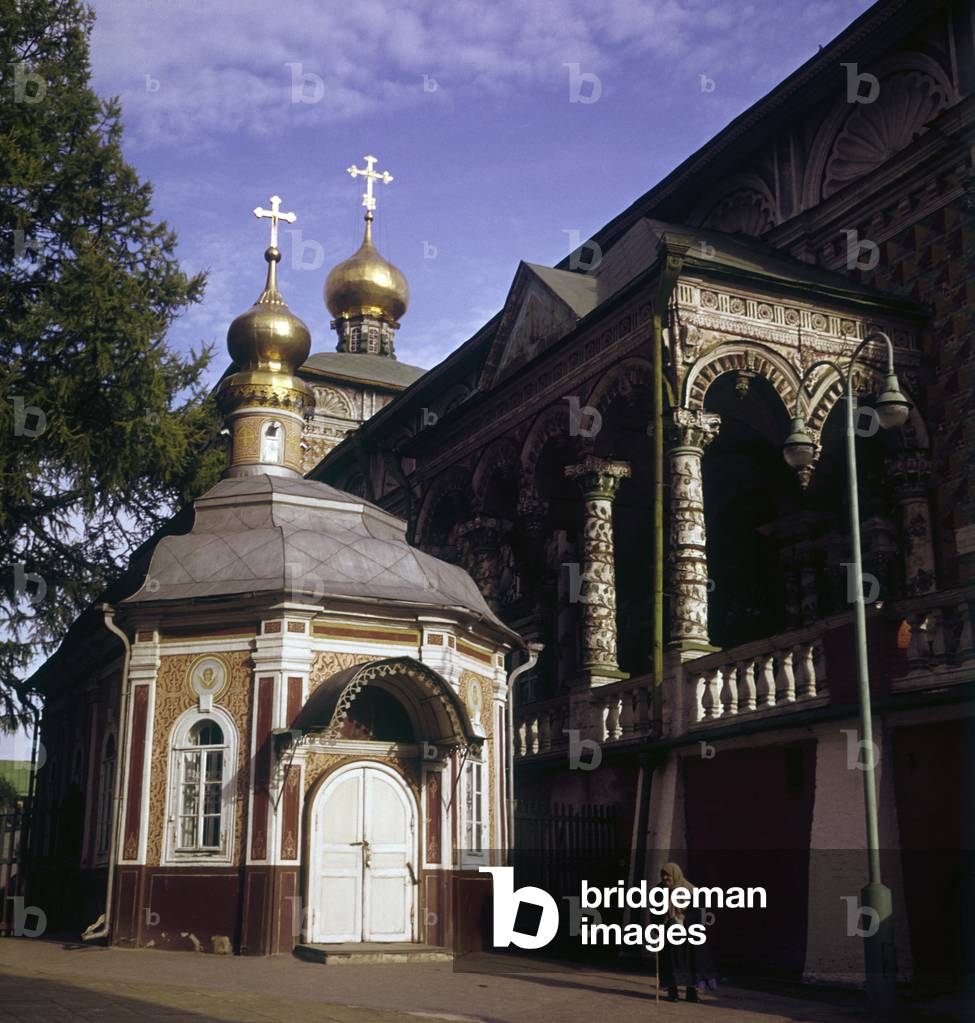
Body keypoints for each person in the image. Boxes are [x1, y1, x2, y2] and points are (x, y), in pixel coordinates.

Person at [658, 861, 716, 1002]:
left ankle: (691, 992)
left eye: (668, 875)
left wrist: (685, 917)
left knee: (690, 962)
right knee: (670, 962)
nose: (665, 878)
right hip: (670, 933)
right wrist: (658, 921)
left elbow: (699, 913)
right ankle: (673, 992)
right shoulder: (660, 891)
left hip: (688, 933)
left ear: (675, 874)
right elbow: (654, 911)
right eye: (663, 875)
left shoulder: (691, 890)